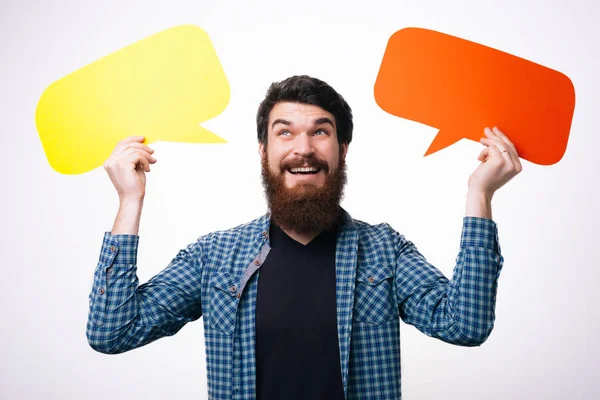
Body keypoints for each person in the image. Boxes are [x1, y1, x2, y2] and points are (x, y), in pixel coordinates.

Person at [87, 75, 522, 400]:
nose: (304, 148)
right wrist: (130, 200)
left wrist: (479, 194)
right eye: (285, 132)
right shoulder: (214, 257)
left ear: (342, 149)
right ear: (263, 151)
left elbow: (465, 325)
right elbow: (112, 332)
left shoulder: (385, 252)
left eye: (320, 131)